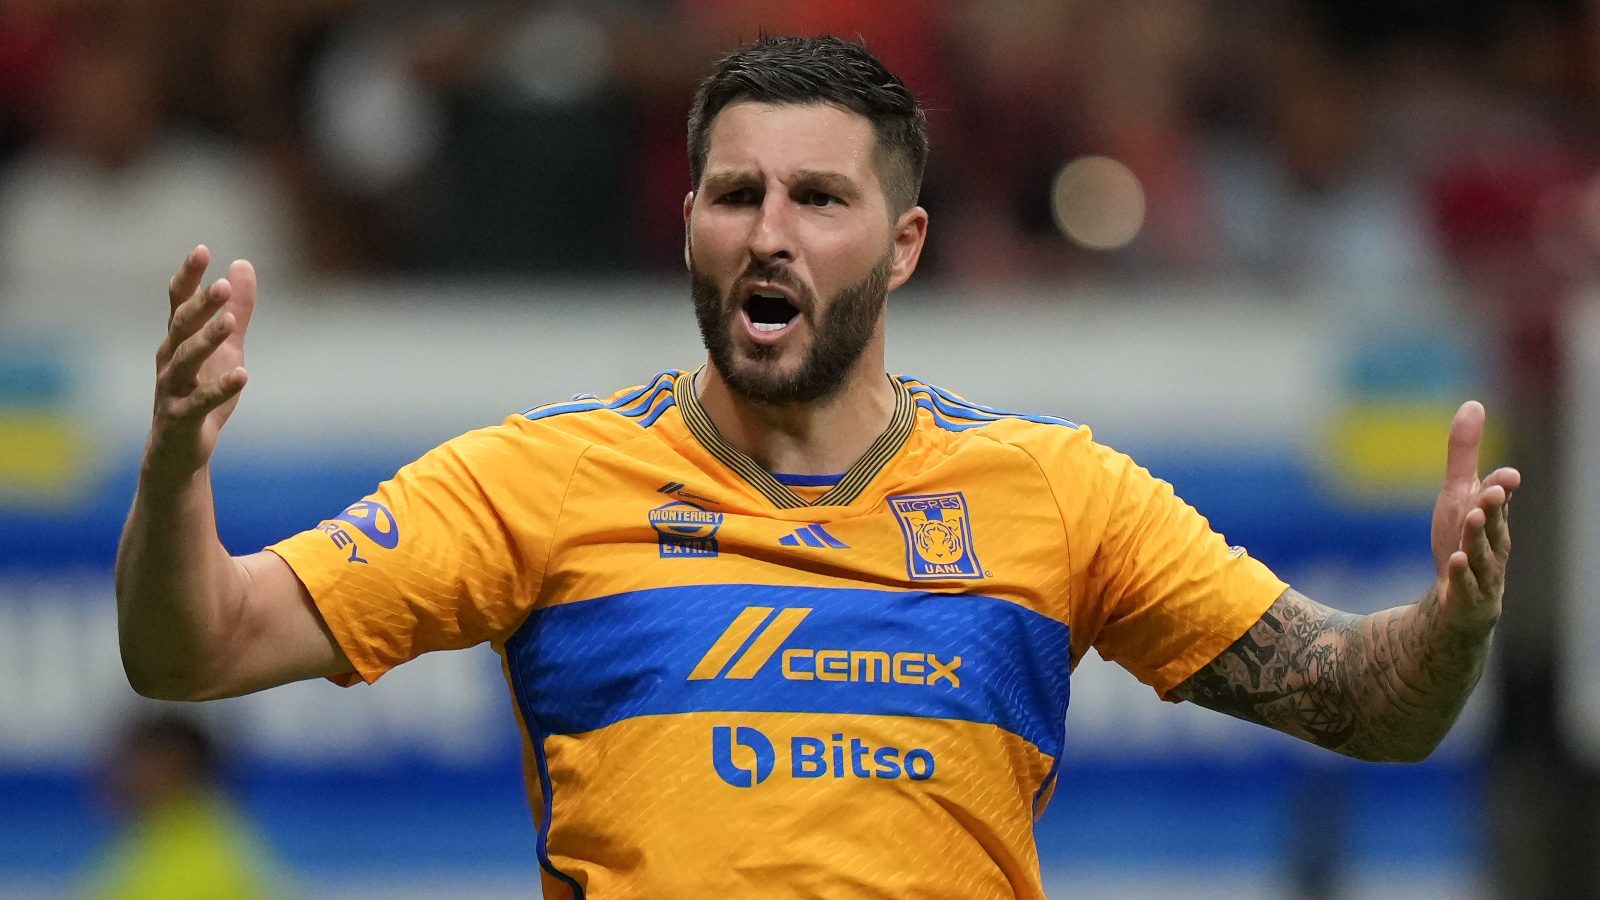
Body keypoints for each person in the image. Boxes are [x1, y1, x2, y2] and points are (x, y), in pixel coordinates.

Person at [116, 35, 1519, 899]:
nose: (769, 231)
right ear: (689, 231)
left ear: (901, 246)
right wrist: (177, 467)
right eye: (737, 194)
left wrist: (1449, 628)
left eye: (819, 198)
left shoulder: (1059, 493)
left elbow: (1364, 706)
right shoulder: (534, 483)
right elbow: (201, 649)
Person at [79, 714, 285, 899]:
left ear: (172, 768)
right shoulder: (156, 840)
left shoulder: (198, 862)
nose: (117, 773)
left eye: (131, 759)